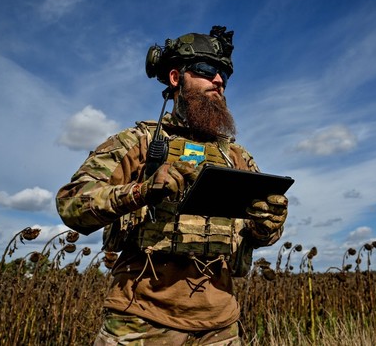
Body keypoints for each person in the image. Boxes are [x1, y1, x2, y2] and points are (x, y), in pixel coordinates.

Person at [56, 25, 289, 345]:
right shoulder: (137, 142)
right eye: (208, 70)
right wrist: (142, 190)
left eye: (224, 74)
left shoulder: (235, 155)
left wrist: (268, 224)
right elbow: (71, 205)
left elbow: (260, 235)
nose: (219, 80)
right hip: (140, 322)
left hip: (220, 327)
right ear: (176, 77)